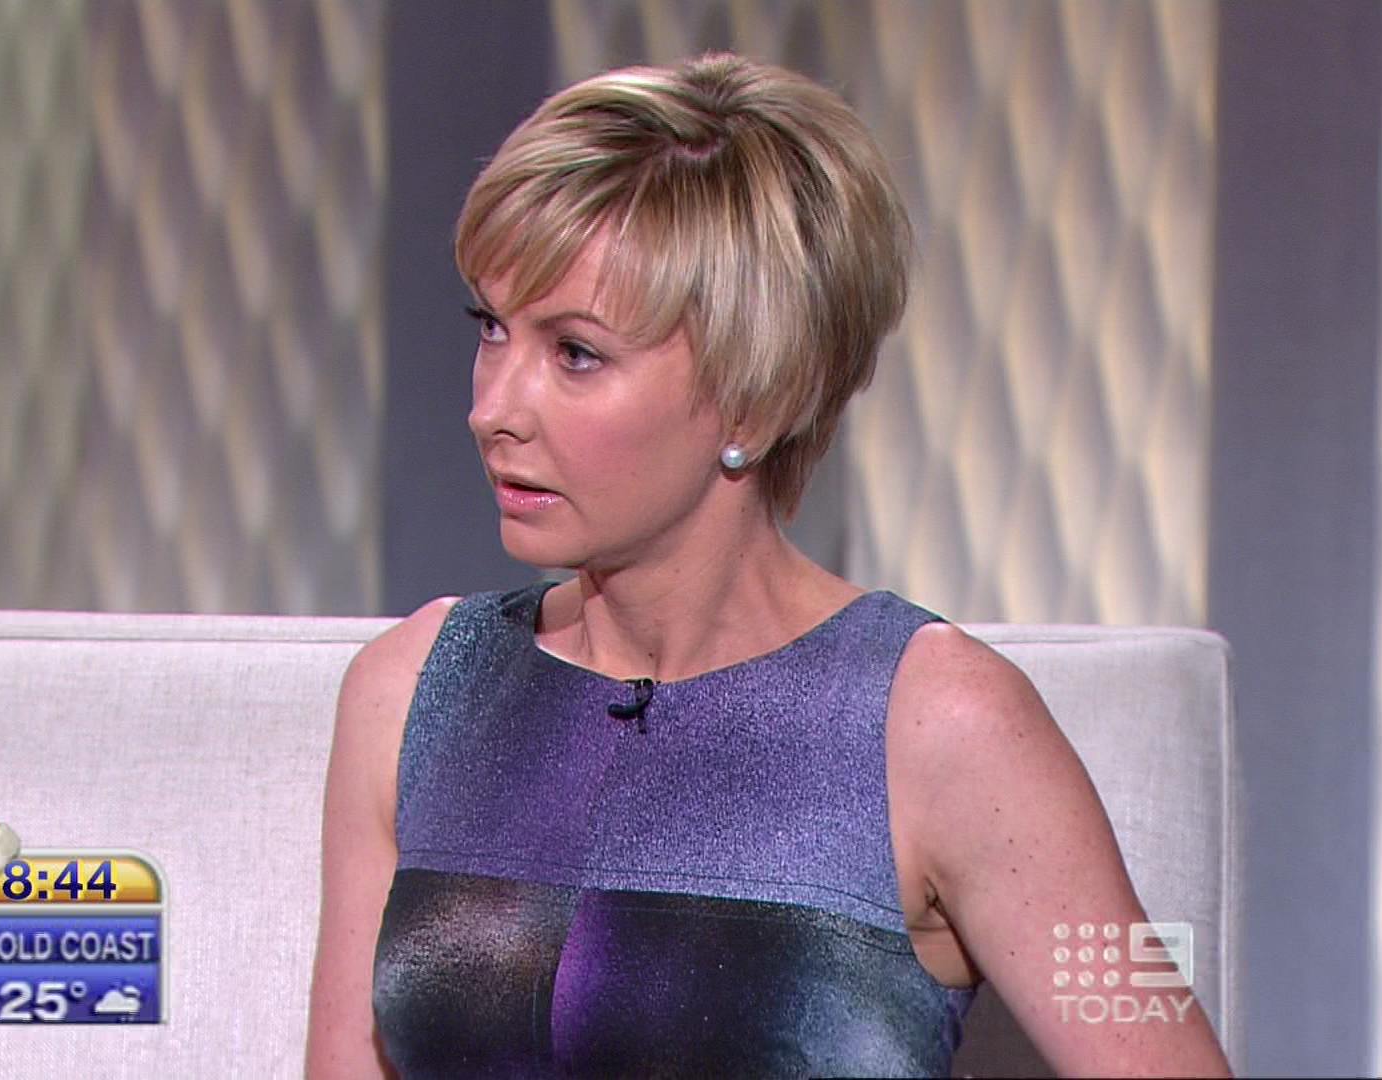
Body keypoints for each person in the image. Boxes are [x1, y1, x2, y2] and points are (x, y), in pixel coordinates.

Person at [306, 52, 1232, 1077]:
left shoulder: (949, 727)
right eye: (492, 329)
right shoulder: (409, 692)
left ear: (758, 398)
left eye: (575, 353)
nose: (493, 409)